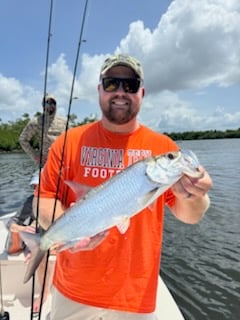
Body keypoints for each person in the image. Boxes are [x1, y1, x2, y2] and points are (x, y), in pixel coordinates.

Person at [33, 54, 213, 320]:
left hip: (135, 294)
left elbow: (191, 215)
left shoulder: (164, 148)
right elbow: (45, 199)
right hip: (73, 287)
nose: (120, 92)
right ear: (99, 89)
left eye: (130, 85)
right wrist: (75, 229)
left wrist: (194, 193)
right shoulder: (67, 142)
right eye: (111, 83)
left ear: (142, 92)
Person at [6, 173, 54, 313]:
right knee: (20, 237)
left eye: (40, 187)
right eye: (35, 187)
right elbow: (11, 223)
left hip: (50, 236)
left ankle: (46, 292)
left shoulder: (56, 201)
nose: (37, 190)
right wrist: (24, 228)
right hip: (35, 236)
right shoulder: (30, 201)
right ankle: (44, 293)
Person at [19, 94, 67, 166]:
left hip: (63, 161)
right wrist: (35, 156)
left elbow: (72, 140)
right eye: (48, 102)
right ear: (43, 105)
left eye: (53, 103)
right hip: (46, 162)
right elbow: (23, 140)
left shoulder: (64, 121)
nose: (51, 105)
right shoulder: (36, 122)